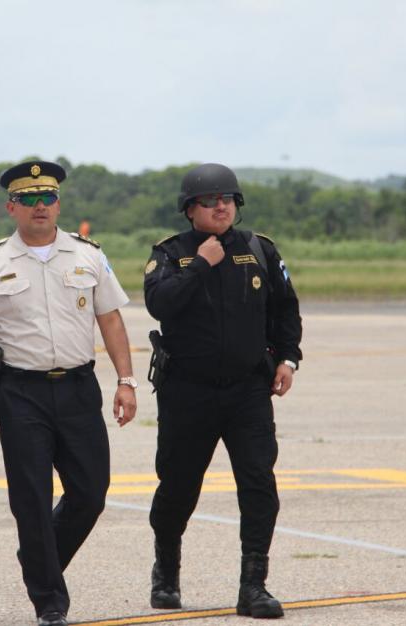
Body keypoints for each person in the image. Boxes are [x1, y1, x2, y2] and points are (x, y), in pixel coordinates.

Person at [0, 160, 138, 626]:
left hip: (78, 388)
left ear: (59, 204)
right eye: (29, 199)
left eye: (48, 198)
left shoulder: (87, 255)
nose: (40, 207)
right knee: (31, 499)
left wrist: (126, 381)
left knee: (91, 493)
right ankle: (50, 603)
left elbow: (111, 320)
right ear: (11, 207)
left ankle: (39, 561)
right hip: (21, 394)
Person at [143, 163, 302, 619]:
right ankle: (166, 571)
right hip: (187, 393)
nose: (221, 207)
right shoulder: (171, 254)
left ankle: (253, 586)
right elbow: (160, 303)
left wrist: (288, 359)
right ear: (190, 209)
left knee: (259, 485)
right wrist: (201, 265)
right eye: (211, 201)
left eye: (228, 200)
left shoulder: (260, 250)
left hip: (248, 392)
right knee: (177, 487)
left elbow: (286, 310)